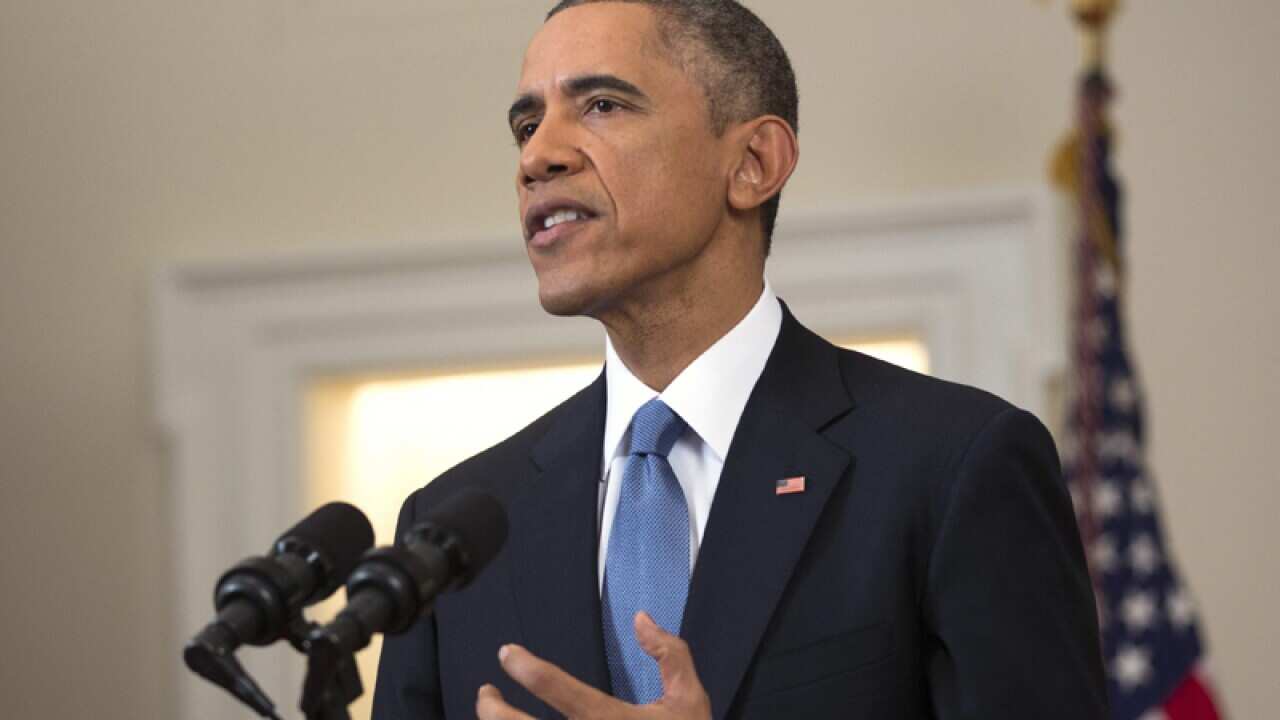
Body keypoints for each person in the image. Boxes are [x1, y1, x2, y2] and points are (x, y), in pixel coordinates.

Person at [372, 1, 1108, 718]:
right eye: (526, 124)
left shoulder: (952, 467)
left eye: (601, 105)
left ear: (754, 162)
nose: (537, 156)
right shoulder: (453, 533)